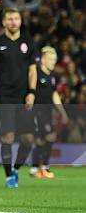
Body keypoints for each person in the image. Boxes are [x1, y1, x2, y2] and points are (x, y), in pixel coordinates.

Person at [0, 8, 37, 189]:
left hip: (24, 96)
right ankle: (8, 177)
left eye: (16, 18)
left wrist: (32, 92)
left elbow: (32, 70)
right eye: (10, 19)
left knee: (28, 138)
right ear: (4, 22)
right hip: (4, 95)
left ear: (21, 21)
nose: (13, 22)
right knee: (8, 136)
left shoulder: (28, 42)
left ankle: (15, 168)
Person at [30, 46, 69, 179]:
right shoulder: (36, 73)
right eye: (51, 59)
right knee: (43, 138)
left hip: (47, 112)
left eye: (55, 59)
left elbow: (54, 94)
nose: (53, 62)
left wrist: (62, 112)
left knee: (47, 138)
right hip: (36, 111)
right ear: (43, 59)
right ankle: (39, 168)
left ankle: (39, 168)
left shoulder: (51, 76)